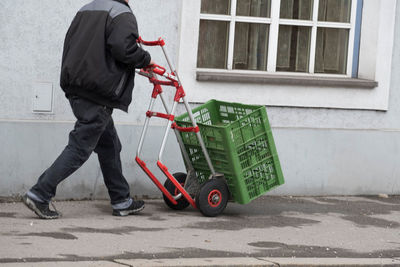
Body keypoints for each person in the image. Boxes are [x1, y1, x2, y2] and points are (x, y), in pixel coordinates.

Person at [23, 0, 153, 219]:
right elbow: (124, 48)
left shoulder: (86, 9)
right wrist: (145, 58)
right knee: (80, 148)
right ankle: (39, 194)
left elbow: (71, 44)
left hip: (78, 86)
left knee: (110, 144)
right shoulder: (121, 13)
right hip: (98, 91)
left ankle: (121, 199)